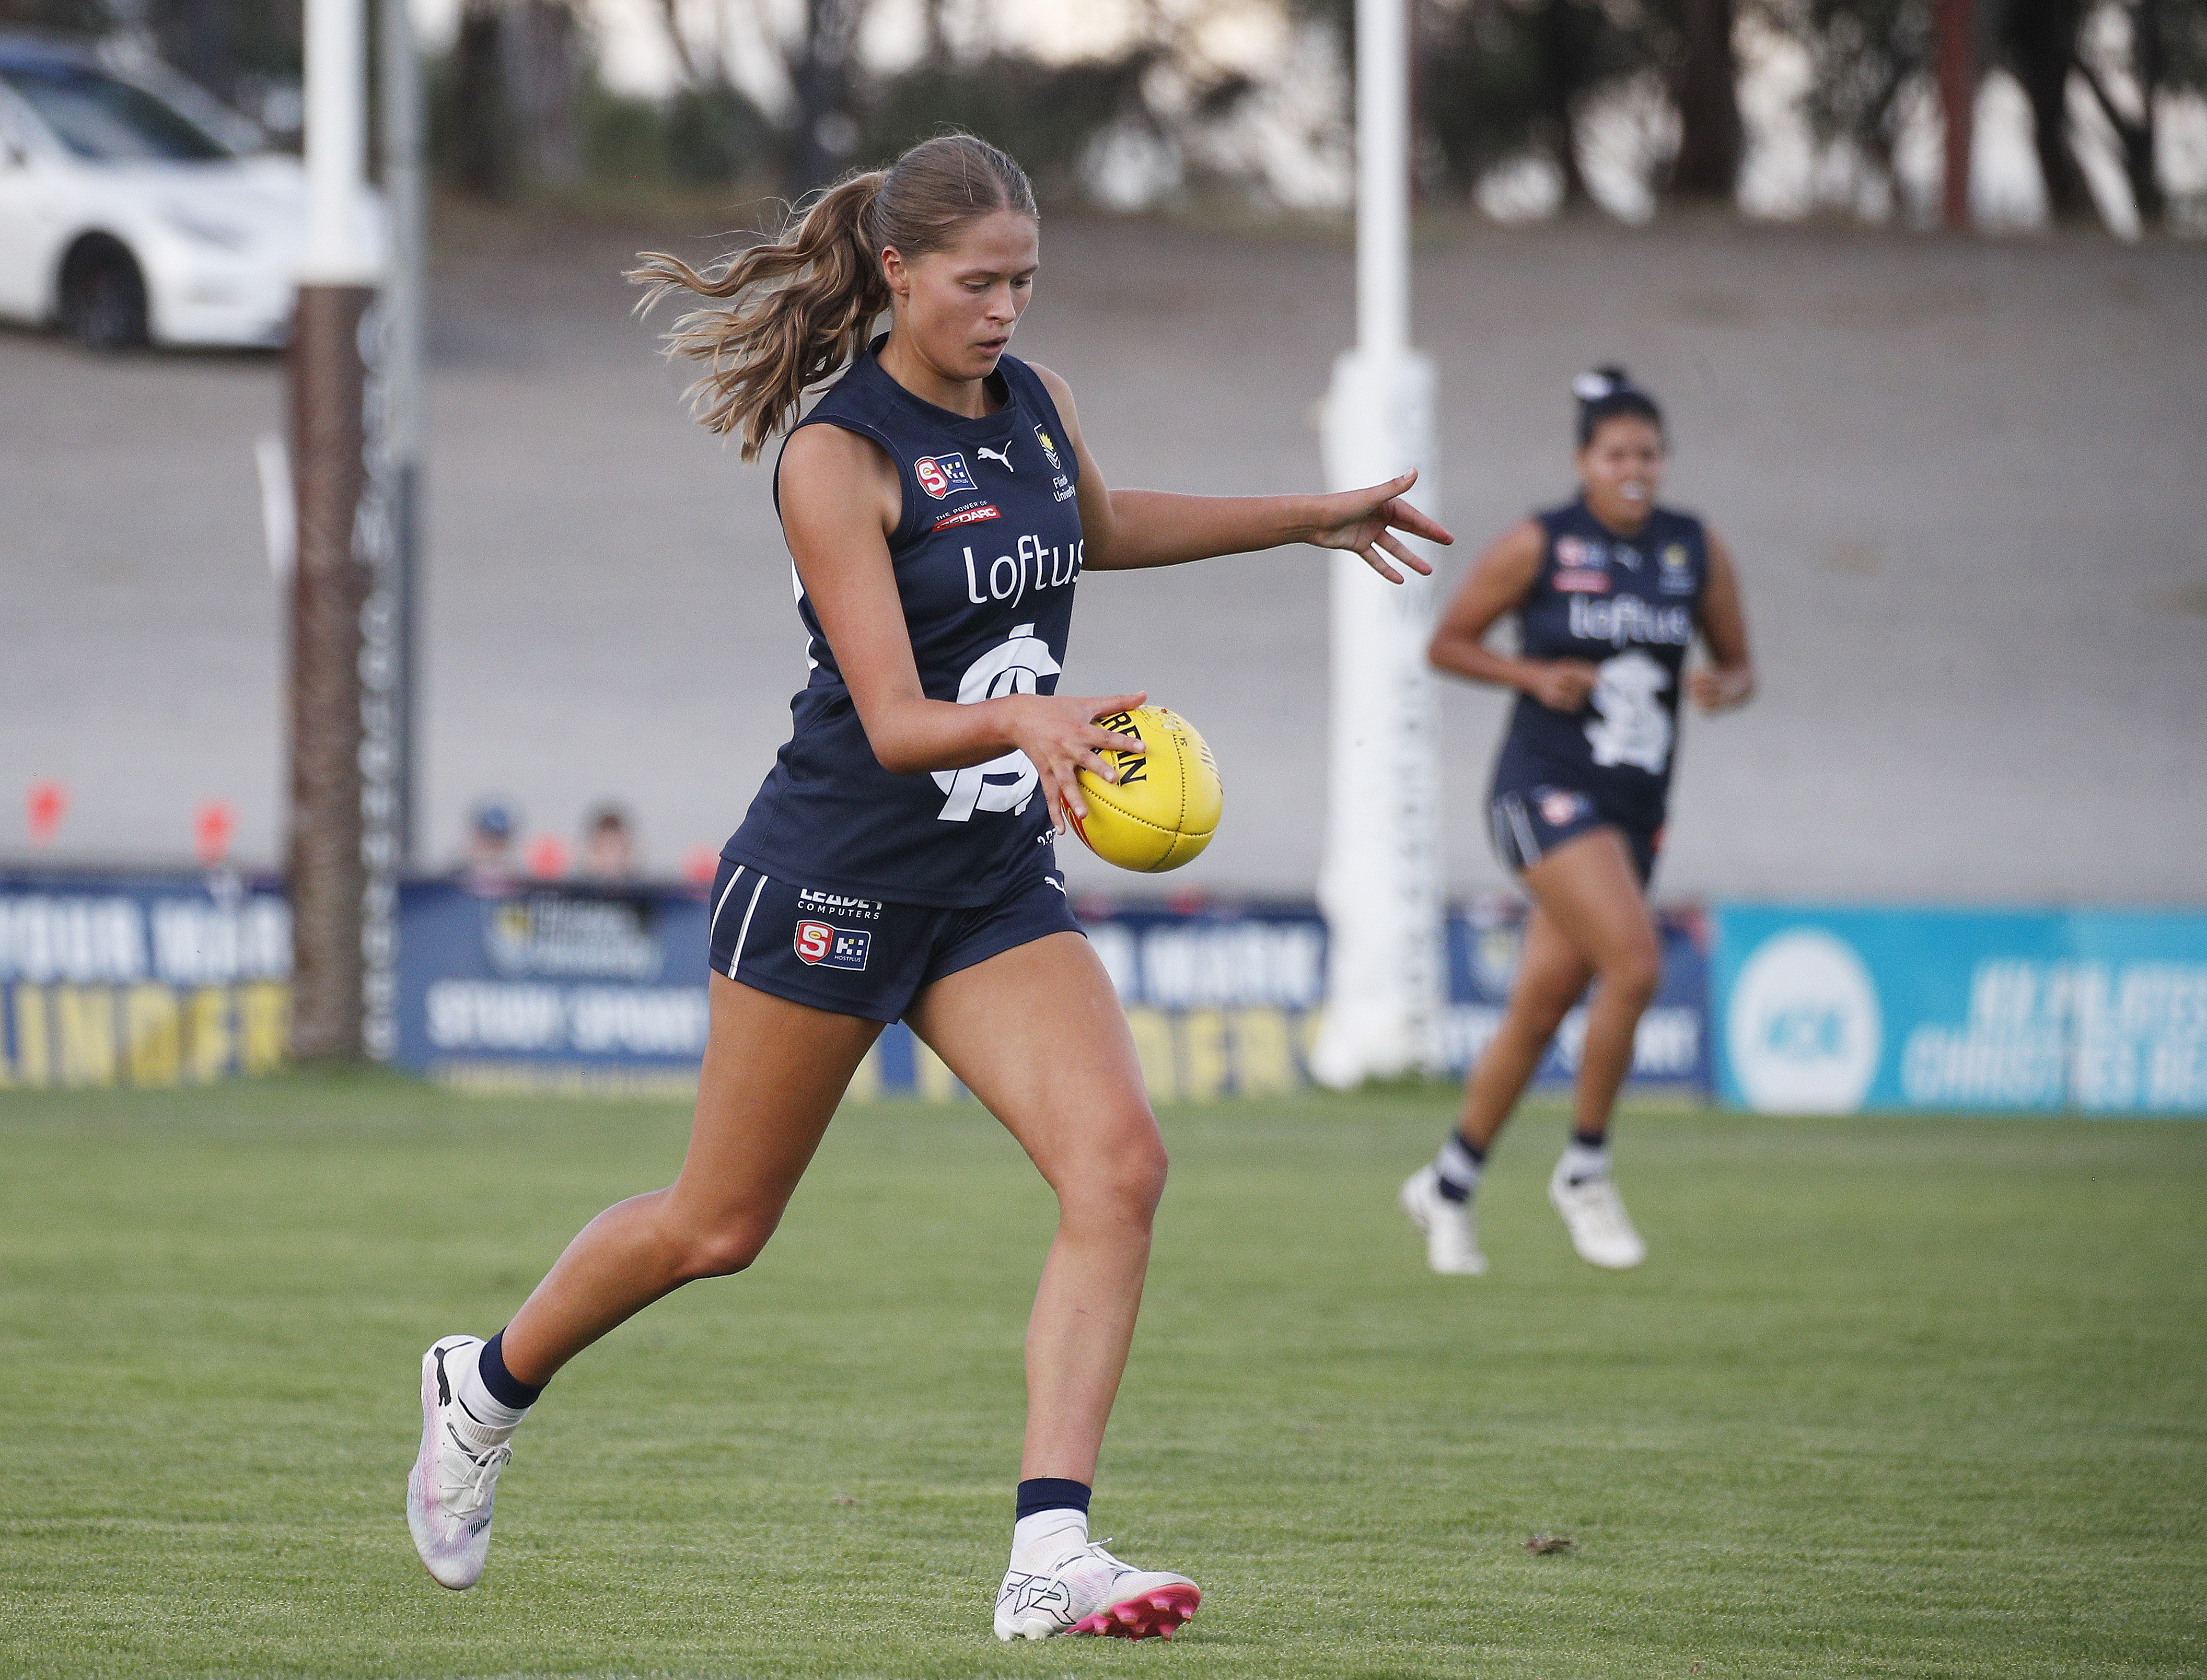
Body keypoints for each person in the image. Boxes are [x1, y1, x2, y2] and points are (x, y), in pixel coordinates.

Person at [405, 133, 1451, 1641]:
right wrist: (1026, 719)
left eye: (1026, 280)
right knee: (718, 1227)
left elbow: (1099, 528)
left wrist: (1306, 516)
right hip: (833, 872)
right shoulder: (839, 456)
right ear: (897, 273)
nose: (1009, 309)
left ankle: (1051, 1552)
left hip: (985, 886)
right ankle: (483, 1385)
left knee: (1121, 1168)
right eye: (980, 282)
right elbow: (894, 721)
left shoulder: (1035, 405)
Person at [1398, 366, 1753, 1277]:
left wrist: (1722, 687)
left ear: (1662, 460)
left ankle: (1447, 1181)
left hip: (1634, 803)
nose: (1632, 468)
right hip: (1540, 786)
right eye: (1614, 453)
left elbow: (1739, 664)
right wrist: (1530, 676)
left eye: (1646, 452)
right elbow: (1446, 642)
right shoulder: (1540, 543)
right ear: (1582, 461)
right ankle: (1583, 1171)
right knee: (1633, 963)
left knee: (1542, 1003)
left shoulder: (1691, 549)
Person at [579, 803, 638, 882]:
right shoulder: (568, 890)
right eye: (603, 847)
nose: (610, 857)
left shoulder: (650, 891)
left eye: (615, 847)